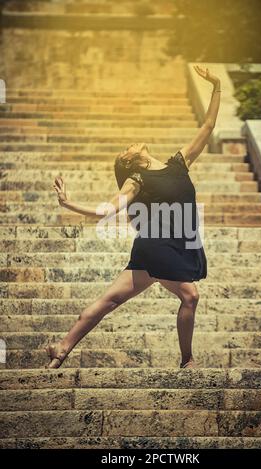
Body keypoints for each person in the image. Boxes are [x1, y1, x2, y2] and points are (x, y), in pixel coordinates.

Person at [47, 66, 221, 369]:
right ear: (130, 161)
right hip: (158, 246)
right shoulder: (137, 179)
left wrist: (217, 85)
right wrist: (69, 203)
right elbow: (108, 209)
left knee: (110, 300)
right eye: (127, 149)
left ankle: (61, 348)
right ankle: (187, 359)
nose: (132, 143)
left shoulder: (178, 163)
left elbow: (207, 125)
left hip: (177, 244)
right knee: (190, 295)